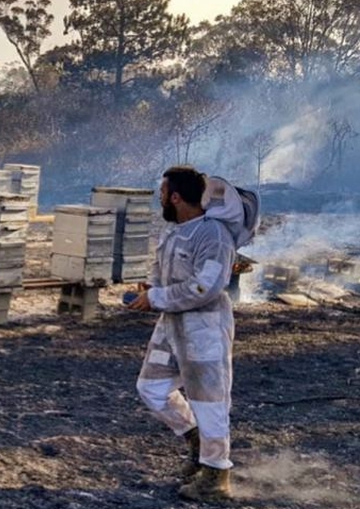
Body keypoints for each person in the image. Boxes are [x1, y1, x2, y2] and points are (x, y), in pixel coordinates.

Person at [128, 166, 243, 502]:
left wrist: (156, 297)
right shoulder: (175, 231)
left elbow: (204, 287)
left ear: (176, 197)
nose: (159, 198)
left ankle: (216, 475)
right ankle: (196, 440)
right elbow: (162, 268)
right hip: (171, 327)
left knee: (210, 401)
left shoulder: (214, 236)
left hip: (203, 329)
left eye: (162, 192)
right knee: (151, 388)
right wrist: (151, 287)